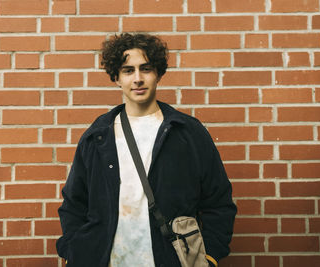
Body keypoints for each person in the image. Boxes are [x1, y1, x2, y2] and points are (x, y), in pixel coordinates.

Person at [56, 33, 237, 267]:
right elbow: (74, 203)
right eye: (128, 70)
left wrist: (209, 256)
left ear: (158, 74)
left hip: (169, 260)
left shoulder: (187, 133)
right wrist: (76, 250)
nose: (138, 78)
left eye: (146, 69)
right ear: (117, 78)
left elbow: (219, 202)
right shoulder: (97, 136)